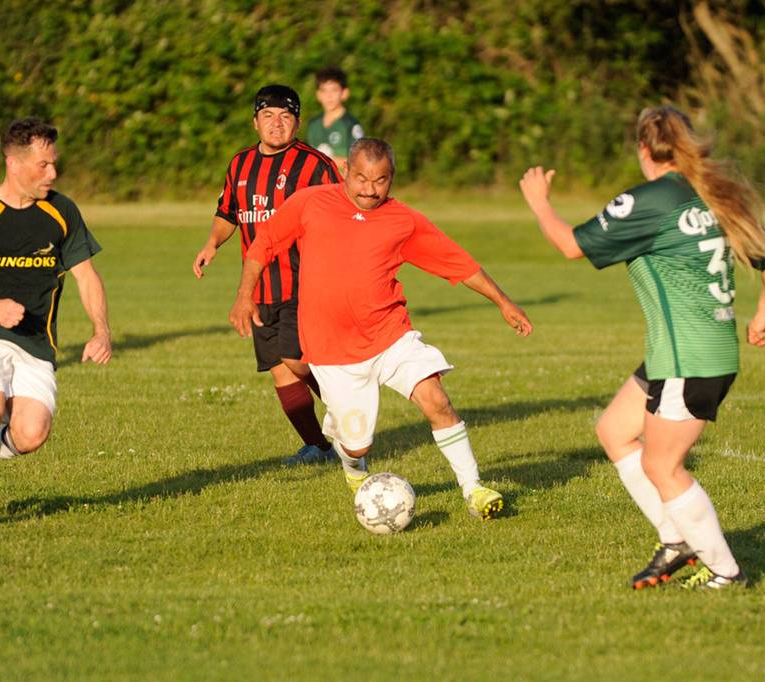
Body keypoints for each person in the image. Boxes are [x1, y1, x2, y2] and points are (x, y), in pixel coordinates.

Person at [519, 105, 765, 589]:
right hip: (687, 351)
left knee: (661, 465)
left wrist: (539, 202)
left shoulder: (651, 201)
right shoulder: (715, 194)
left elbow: (570, 245)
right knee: (614, 431)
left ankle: (727, 573)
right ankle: (676, 539)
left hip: (690, 358)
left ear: (644, 149)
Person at [230, 138, 533, 520]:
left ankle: (474, 489)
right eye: (361, 179)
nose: (370, 190)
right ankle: (354, 468)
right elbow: (263, 245)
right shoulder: (311, 203)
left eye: (381, 181)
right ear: (344, 172)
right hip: (331, 351)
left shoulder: (403, 220)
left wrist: (503, 301)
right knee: (357, 447)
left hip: (390, 337)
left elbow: (457, 262)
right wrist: (245, 295)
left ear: (392, 178)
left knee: (436, 399)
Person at [0, 117, 111, 539]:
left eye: (54, 164)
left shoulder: (61, 211)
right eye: (43, 165)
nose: (53, 173)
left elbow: (87, 276)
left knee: (31, 435)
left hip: (36, 343)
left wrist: (101, 330)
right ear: (13, 164)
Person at [193, 84, 342, 466]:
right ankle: (320, 447)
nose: (277, 124)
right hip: (259, 288)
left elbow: (339, 220)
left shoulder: (314, 165)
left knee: (294, 358)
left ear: (297, 122)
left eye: (286, 117)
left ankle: (351, 416)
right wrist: (212, 244)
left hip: (304, 283)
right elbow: (229, 212)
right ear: (255, 121)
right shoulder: (240, 164)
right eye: (269, 116)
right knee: (279, 371)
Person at [306, 67, 364, 174]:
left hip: (341, 185)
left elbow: (358, 163)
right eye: (324, 90)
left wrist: (327, 158)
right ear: (318, 94)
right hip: (317, 186)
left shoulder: (350, 125)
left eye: (334, 90)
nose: (329, 96)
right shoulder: (313, 124)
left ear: (344, 93)